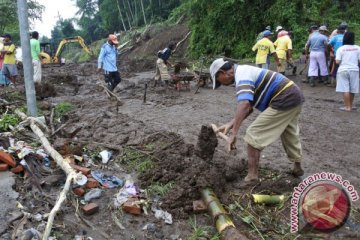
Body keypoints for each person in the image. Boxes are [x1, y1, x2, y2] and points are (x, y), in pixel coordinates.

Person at [209, 58, 305, 187]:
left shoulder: (242, 75)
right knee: (289, 133)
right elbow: (249, 108)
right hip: (294, 96)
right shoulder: (244, 71)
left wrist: (233, 134)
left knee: (253, 134)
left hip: (283, 97)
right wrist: (230, 124)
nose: (222, 84)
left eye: (219, 80)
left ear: (223, 72)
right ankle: (297, 167)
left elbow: (244, 104)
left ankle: (252, 177)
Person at [335, 32, 360, 112]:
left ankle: (347, 107)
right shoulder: (358, 48)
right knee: (352, 89)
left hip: (343, 70)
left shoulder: (341, 49)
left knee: (345, 89)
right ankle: (350, 106)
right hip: (354, 70)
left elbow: (337, 62)